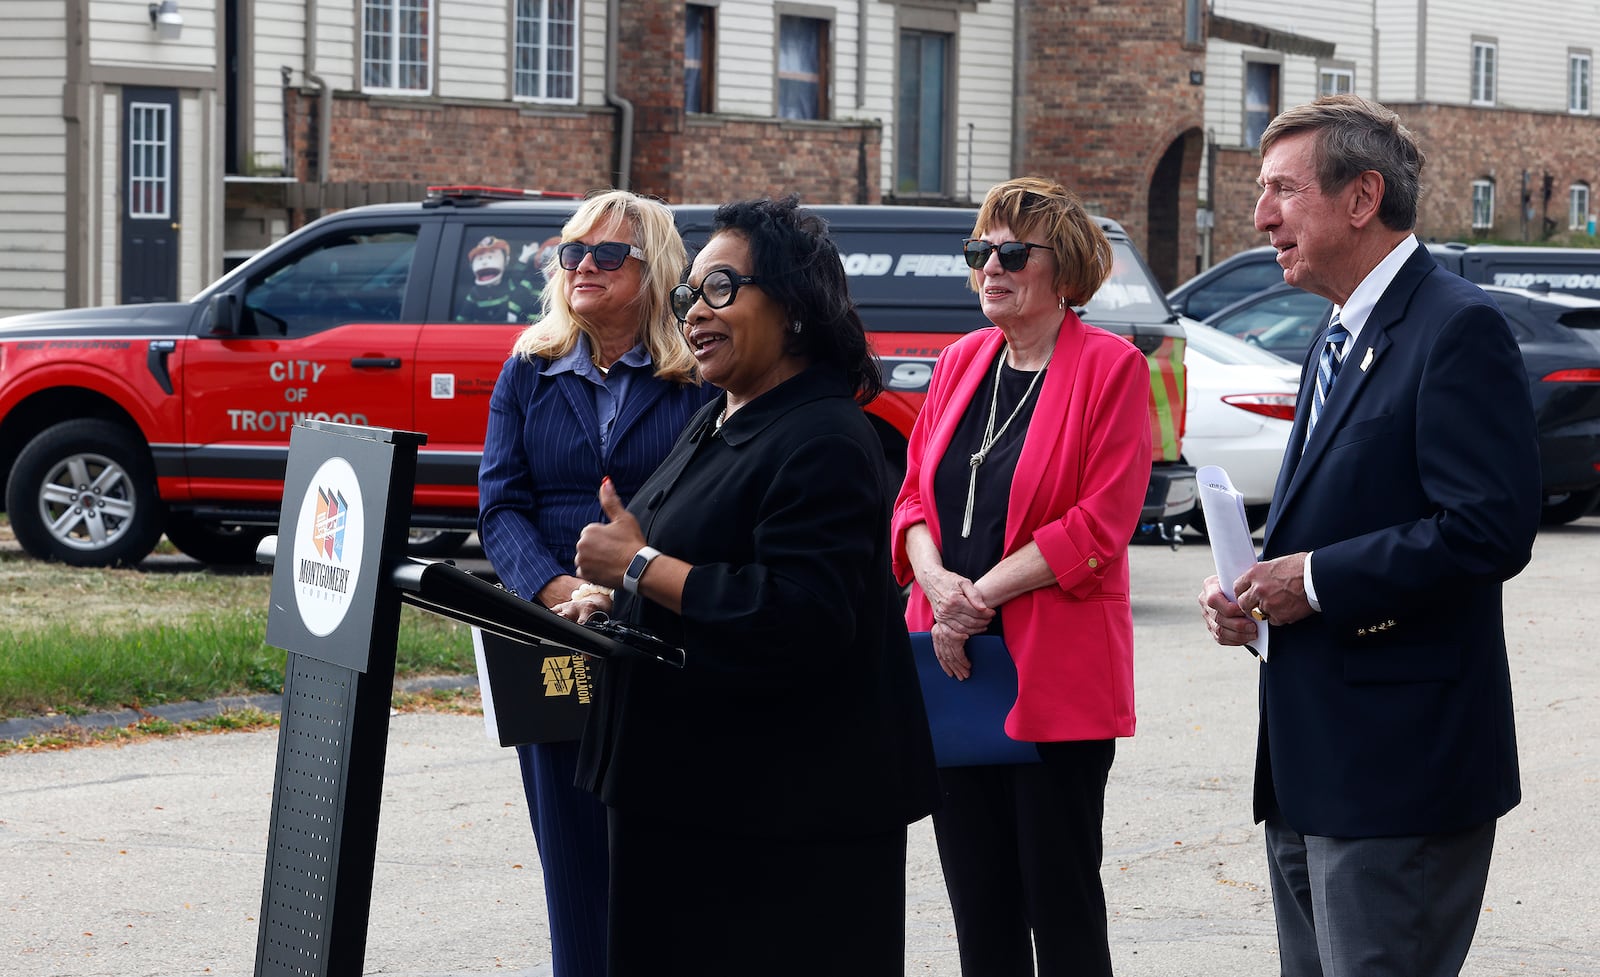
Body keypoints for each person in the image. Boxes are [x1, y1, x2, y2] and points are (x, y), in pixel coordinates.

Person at [1198, 95, 1541, 977]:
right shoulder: (1337, 333)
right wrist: (1254, 594)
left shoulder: (1455, 327)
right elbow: (1343, 514)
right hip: (1311, 766)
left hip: (1399, 777)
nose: (1262, 215)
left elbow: (1488, 529)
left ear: (1362, 199)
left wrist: (1310, 580)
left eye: (1282, 189)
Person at [569, 195, 940, 976]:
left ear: (796, 307)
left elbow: (800, 614)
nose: (695, 311)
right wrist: (613, 595)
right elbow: (685, 553)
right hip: (682, 794)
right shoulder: (721, 416)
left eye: (722, 289)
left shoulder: (827, 438)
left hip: (782, 823)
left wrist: (638, 568)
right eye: (688, 295)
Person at [889, 176, 1153, 977]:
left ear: (1064, 270)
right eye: (980, 252)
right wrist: (935, 583)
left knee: (1061, 904)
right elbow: (909, 498)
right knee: (980, 904)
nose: (990, 268)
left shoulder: (1113, 369)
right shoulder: (962, 360)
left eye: (1010, 252)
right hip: (953, 667)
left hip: (1055, 675)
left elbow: (1096, 527)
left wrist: (975, 599)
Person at [477, 189, 716, 977]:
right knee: (572, 870)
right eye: (571, 252)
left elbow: (704, 502)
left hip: (655, 632)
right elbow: (500, 503)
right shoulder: (529, 367)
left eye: (606, 254)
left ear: (654, 270)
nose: (581, 266)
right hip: (548, 642)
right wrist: (556, 594)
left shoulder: (698, 378)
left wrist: (622, 587)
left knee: (661, 865)